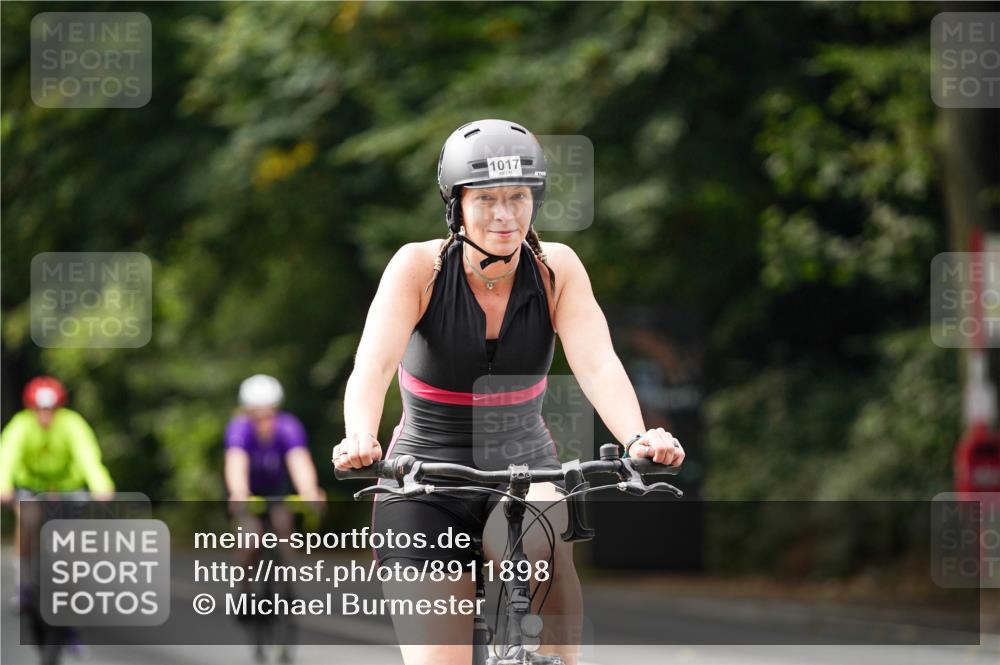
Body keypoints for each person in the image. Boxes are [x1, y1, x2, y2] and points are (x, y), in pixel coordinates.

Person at [332, 119, 685, 665]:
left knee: (539, 542)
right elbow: (372, 365)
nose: (505, 215)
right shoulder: (419, 268)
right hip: (424, 477)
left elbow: (596, 362)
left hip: (526, 464)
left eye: (519, 197)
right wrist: (360, 436)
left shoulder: (555, 269)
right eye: (488, 199)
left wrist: (637, 438)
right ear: (455, 205)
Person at [0, 376, 115, 617]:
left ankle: (72, 586)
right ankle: (24, 586)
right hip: (31, 487)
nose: (45, 415)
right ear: (31, 409)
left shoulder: (72, 424)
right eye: (40, 410)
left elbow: (88, 456)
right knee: (27, 523)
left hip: (67, 488)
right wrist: (4, 485)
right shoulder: (20, 426)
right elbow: (7, 455)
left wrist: (101, 484)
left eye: (51, 410)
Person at [224, 374, 325, 594]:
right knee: (250, 537)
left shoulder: (288, 427)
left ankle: (287, 586)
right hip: (247, 489)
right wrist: (239, 492)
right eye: (257, 415)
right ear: (248, 412)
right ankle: (243, 589)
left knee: (283, 528)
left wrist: (309, 490)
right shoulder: (239, 428)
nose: (264, 420)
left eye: (269, 413)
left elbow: (299, 461)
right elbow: (235, 462)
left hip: (275, 489)